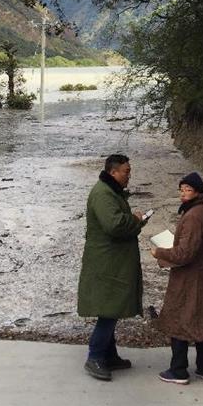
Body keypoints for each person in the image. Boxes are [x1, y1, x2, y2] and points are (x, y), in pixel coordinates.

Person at [150, 171, 203, 385]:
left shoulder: (193, 216)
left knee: (179, 321)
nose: (183, 193)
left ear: (198, 192)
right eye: (181, 189)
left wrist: (161, 253)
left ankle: (178, 370)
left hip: (189, 279)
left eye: (188, 190)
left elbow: (185, 254)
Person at [77, 153, 145, 381]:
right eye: (126, 172)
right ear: (113, 172)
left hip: (111, 262)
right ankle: (94, 357)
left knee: (112, 309)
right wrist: (135, 220)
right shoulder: (103, 194)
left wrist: (136, 220)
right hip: (107, 264)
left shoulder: (108, 191)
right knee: (109, 311)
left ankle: (109, 355)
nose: (129, 176)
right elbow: (114, 226)